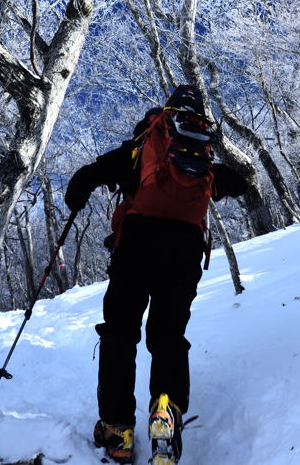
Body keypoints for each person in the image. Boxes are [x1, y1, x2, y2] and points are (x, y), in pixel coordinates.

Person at [65, 85, 248, 464]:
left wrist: (77, 195)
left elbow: (89, 174)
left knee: (120, 332)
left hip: (136, 247)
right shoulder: (204, 158)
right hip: (184, 253)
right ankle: (166, 409)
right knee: (168, 336)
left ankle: (117, 428)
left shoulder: (139, 150)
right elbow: (240, 181)